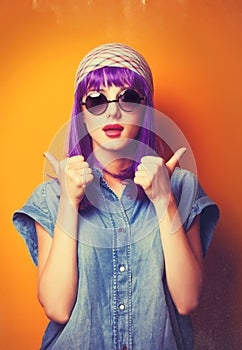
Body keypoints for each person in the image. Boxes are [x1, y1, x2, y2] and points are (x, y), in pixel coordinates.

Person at [13, 43, 219, 350]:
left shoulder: (181, 186)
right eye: (96, 100)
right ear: (81, 115)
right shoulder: (52, 195)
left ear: (146, 109)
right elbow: (57, 307)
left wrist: (164, 201)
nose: (112, 110)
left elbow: (187, 300)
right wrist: (69, 205)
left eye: (129, 98)